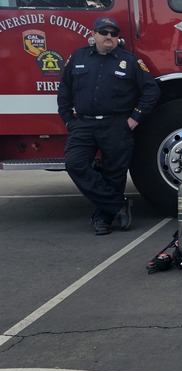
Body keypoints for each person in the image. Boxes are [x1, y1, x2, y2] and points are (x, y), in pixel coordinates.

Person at [57, 16, 159, 235]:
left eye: (114, 33)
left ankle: (103, 218)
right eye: (104, 32)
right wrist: (68, 119)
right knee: (74, 164)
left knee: (114, 173)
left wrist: (135, 118)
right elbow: (64, 90)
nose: (109, 37)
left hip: (117, 124)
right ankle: (118, 205)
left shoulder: (130, 61)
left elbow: (151, 90)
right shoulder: (77, 57)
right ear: (94, 35)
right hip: (83, 124)